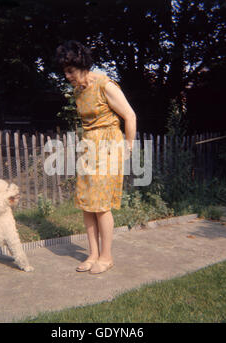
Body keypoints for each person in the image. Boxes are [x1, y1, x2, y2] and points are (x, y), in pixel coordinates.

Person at [56, 40, 137, 274]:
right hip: (89, 147)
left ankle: (106, 256)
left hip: (109, 146)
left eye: (70, 71)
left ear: (81, 65)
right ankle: (92, 254)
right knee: (87, 204)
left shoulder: (105, 85)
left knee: (101, 205)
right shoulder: (78, 91)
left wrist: (128, 148)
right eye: (65, 72)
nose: (67, 76)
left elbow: (130, 116)